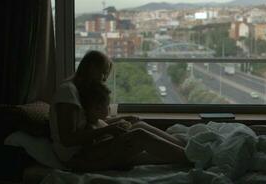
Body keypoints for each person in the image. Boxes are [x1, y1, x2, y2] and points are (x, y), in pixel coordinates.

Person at [49, 50, 189, 171]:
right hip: (77, 158)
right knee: (139, 135)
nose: (103, 79)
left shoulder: (78, 90)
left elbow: (90, 124)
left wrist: (123, 120)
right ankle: (192, 158)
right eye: (103, 73)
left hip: (88, 149)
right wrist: (108, 130)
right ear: (91, 68)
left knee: (137, 124)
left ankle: (186, 148)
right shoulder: (67, 92)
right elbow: (67, 139)